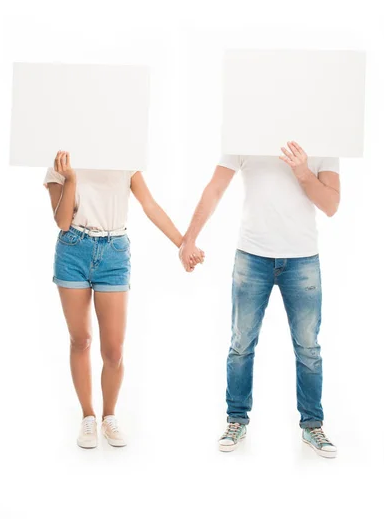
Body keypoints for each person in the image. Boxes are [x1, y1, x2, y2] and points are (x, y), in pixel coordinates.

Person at [179, 141, 340, 458]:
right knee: (241, 344)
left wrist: (302, 171)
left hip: (302, 259)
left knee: (308, 347)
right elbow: (215, 188)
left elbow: (332, 204)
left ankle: (312, 425)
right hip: (252, 257)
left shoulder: (325, 135)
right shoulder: (245, 130)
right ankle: (236, 419)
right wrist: (189, 238)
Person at [44, 150, 203, 449]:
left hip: (114, 253)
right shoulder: (61, 161)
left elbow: (150, 205)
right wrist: (71, 178)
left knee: (114, 352)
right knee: (81, 340)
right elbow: (62, 222)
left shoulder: (123, 152)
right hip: (72, 249)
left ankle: (109, 416)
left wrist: (184, 244)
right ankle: (88, 416)